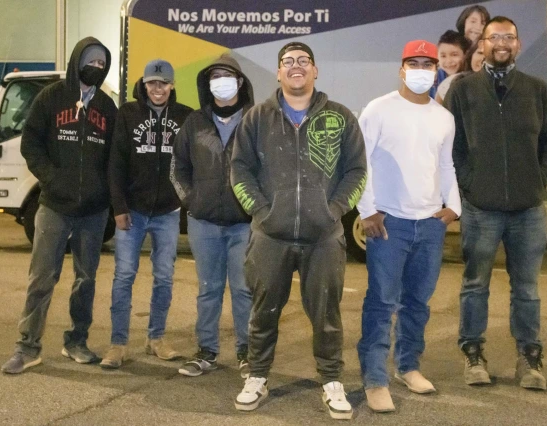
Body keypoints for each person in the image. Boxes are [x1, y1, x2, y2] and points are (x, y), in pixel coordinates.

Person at [230, 41, 367, 420]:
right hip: (269, 237)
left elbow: (357, 171)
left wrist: (334, 210)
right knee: (263, 312)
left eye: (303, 61)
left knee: (326, 315)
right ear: (278, 72)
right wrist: (261, 210)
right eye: (287, 61)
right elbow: (239, 170)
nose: (296, 66)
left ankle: (331, 381)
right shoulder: (257, 118)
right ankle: (257, 376)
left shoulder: (340, 118)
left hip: (323, 238)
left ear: (315, 70)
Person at [444, 16, 547, 390]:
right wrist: (470, 186)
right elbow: (452, 146)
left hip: (528, 211)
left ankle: (529, 358)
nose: (501, 43)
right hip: (481, 210)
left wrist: (537, 178)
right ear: (481, 45)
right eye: (494, 37)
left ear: (517, 43)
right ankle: (473, 353)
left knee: (526, 288)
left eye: (508, 37)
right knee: (475, 284)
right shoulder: (463, 91)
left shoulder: (536, 90)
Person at [1, 37, 117, 374]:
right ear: (76, 60)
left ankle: (76, 342)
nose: (95, 67)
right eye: (90, 61)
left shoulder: (107, 108)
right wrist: (52, 178)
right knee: (42, 277)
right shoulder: (50, 98)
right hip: (53, 206)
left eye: (100, 63)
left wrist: (104, 195)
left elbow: (114, 158)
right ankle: (27, 347)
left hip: (92, 212)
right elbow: (31, 144)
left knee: (86, 279)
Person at [356, 40, 460, 412]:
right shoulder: (379, 110)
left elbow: (446, 165)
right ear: (401, 69)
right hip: (390, 223)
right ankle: (374, 378)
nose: (420, 70)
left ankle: (408, 365)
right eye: (413, 63)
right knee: (382, 303)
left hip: (430, 224)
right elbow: (360, 162)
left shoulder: (443, 117)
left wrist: (453, 208)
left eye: (427, 65)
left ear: (436, 71)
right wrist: (368, 210)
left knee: (418, 302)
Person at [99, 59, 192, 369]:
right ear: (144, 84)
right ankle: (118, 344)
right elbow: (116, 163)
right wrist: (119, 207)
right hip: (133, 212)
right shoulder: (128, 113)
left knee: (164, 278)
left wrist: (184, 199)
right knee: (124, 276)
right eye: (152, 82)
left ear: (172, 85)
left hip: (167, 212)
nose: (157, 88)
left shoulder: (184, 116)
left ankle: (156, 339)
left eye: (163, 83)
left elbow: (193, 162)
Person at [169, 54, 254, 378]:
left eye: (228, 75)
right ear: (207, 83)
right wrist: (191, 200)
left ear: (240, 82)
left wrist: (257, 208)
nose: (221, 81)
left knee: (245, 290)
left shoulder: (255, 120)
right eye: (215, 76)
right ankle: (207, 351)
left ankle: (247, 354)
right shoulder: (195, 122)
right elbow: (178, 166)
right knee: (208, 289)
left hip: (244, 225)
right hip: (204, 223)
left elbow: (270, 170)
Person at [430, 30, 470, 99]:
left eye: (454, 55)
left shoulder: (471, 77)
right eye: (443, 56)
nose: (448, 61)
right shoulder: (433, 79)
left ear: (465, 54)